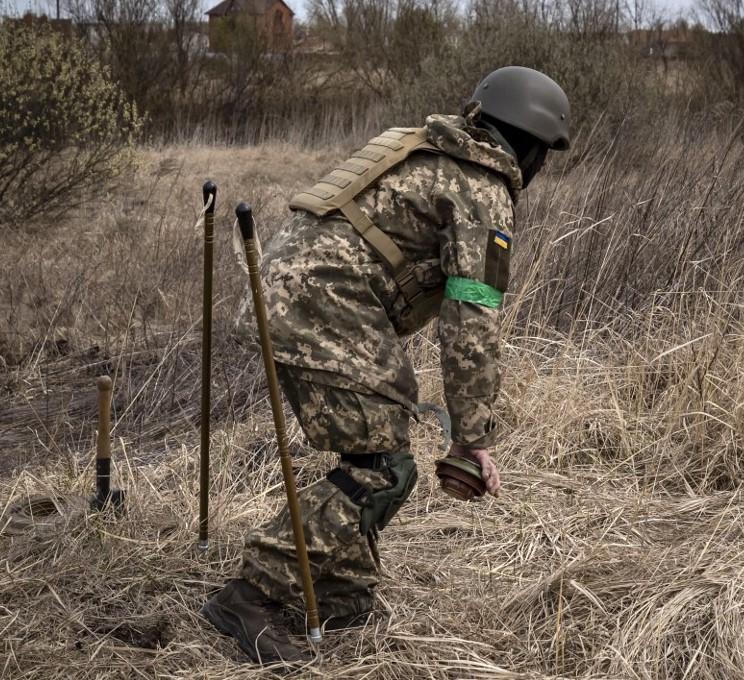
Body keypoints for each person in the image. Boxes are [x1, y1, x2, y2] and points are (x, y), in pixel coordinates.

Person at [201, 66, 571, 665]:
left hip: (299, 295)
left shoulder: (426, 148)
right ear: (529, 146)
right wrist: (472, 438)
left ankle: (341, 588)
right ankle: (251, 594)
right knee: (382, 465)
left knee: (379, 453)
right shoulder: (482, 191)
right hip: (322, 306)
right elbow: (471, 323)